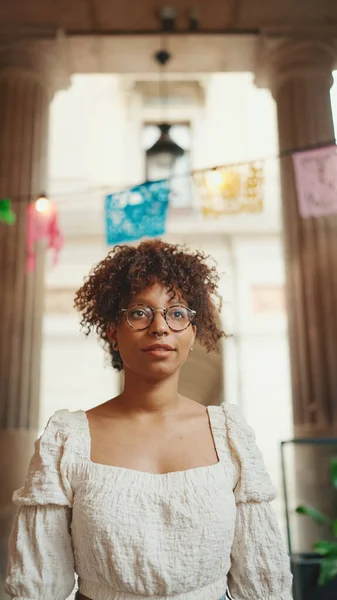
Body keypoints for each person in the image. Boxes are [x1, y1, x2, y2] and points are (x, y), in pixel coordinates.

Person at [5, 239, 293, 600]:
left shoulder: (230, 436)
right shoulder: (68, 440)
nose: (160, 327)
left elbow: (262, 583)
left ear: (193, 331)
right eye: (140, 312)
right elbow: (37, 586)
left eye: (176, 313)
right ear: (112, 330)